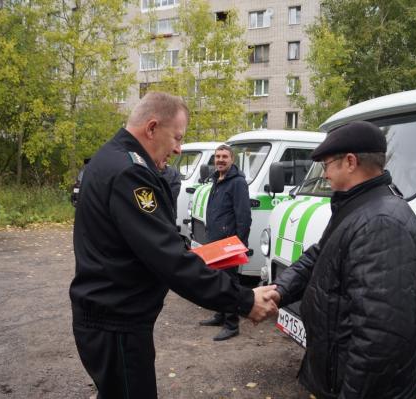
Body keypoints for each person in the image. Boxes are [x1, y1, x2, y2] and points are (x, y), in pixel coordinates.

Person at [69, 91, 277, 399]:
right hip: (117, 325)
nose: (179, 148)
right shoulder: (132, 172)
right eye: (177, 137)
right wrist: (244, 299)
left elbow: (144, 246)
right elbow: (169, 259)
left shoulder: (110, 158)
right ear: (152, 128)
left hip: (109, 318)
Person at [266, 121, 416, 399]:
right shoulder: (356, 206)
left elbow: (378, 336)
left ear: (350, 162)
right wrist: (279, 291)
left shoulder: (382, 222)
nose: (324, 174)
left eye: (326, 164)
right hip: (335, 374)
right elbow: (320, 254)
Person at [198, 145, 252, 341]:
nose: (220, 160)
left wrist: (239, 243)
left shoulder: (237, 182)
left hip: (229, 243)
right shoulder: (217, 179)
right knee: (217, 280)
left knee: (229, 282)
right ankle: (221, 315)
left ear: (232, 160)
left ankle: (232, 323)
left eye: (224, 157)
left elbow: (244, 216)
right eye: (217, 156)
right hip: (215, 240)